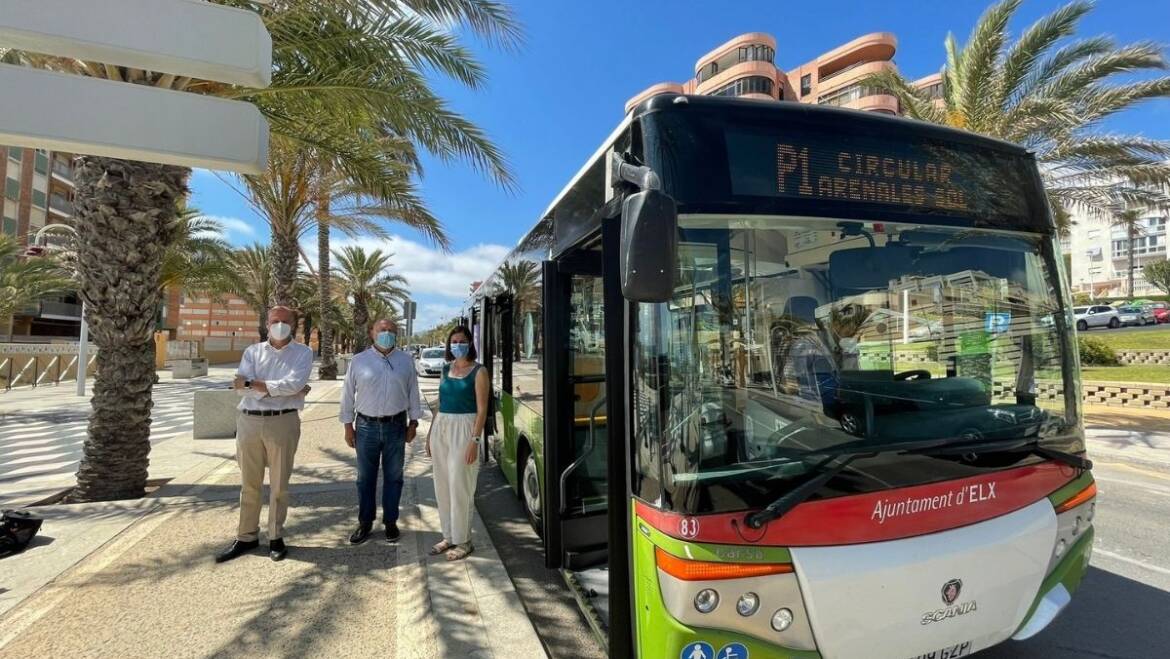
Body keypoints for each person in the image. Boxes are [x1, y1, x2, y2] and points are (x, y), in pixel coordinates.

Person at [216, 306, 313, 563]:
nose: (279, 324)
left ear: (294, 324)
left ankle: (275, 537)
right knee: (249, 483)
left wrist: (255, 385)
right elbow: (240, 388)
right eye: (274, 321)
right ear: (267, 323)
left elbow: (294, 384)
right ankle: (246, 536)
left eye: (285, 321)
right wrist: (276, 389)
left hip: (283, 423)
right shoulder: (253, 351)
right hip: (248, 422)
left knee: (280, 484)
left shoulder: (303, 353)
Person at [339, 318, 421, 544]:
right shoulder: (358, 361)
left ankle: (391, 522)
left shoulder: (406, 361)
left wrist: (414, 422)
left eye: (392, 331)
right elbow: (347, 394)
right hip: (366, 427)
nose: (387, 333)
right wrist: (348, 426)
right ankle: (365, 522)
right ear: (372, 333)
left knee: (394, 477)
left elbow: (413, 391)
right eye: (382, 330)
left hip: (397, 425)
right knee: (365, 478)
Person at [426, 325, 489, 561]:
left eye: (462, 341)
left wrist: (474, 440)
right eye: (453, 341)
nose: (457, 345)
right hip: (442, 427)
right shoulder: (445, 369)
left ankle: (464, 540)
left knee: (460, 485)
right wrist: (430, 435)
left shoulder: (479, 371)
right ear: (448, 345)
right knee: (442, 485)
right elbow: (439, 405)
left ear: (470, 343)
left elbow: (482, 410)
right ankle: (449, 535)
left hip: (465, 429)